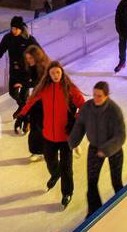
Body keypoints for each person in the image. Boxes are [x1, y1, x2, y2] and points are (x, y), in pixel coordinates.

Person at [17, 61, 85, 208]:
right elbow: (31, 101)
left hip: (66, 137)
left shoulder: (69, 88)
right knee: (50, 162)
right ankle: (55, 173)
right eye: (52, 73)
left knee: (67, 168)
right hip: (48, 136)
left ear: (62, 73)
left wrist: (75, 120)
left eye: (58, 73)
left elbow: (83, 106)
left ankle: (67, 193)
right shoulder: (44, 88)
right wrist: (22, 115)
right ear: (49, 74)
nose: (55, 75)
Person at [69, 80, 127, 217]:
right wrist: (72, 142)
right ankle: (94, 212)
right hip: (95, 147)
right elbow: (80, 125)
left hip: (114, 149)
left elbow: (121, 135)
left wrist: (106, 149)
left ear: (106, 96)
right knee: (91, 183)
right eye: (94, 95)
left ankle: (124, 208)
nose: (96, 98)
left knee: (116, 181)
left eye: (99, 95)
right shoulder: (87, 108)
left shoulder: (114, 110)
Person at [0, 17, 39, 133]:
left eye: (16, 28)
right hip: (14, 72)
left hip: (26, 73)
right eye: (12, 28)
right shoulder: (8, 38)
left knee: (23, 97)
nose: (13, 30)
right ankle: (24, 109)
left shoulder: (28, 39)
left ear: (21, 28)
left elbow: (39, 52)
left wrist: (43, 66)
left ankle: (27, 121)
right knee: (12, 93)